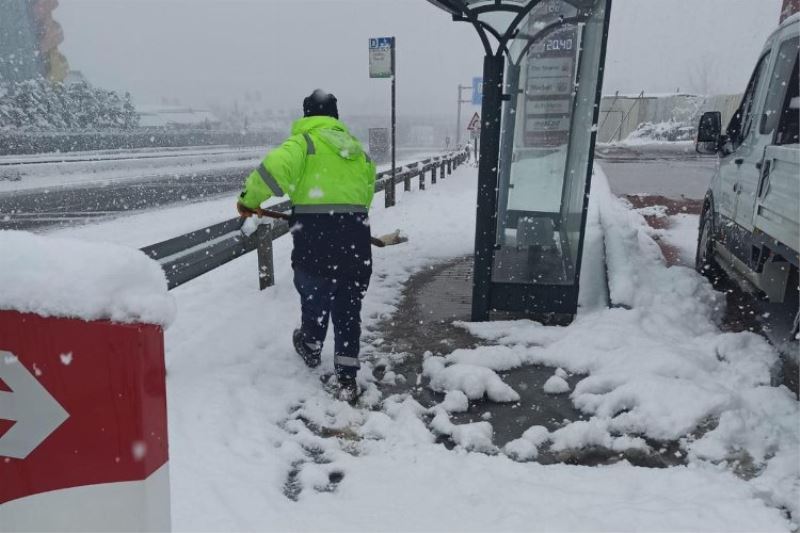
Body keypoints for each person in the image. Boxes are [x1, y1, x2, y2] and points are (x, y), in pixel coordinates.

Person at [236, 90, 376, 401]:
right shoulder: (357, 151)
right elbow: (366, 195)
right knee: (349, 307)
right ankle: (347, 377)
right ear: (335, 117)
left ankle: (311, 346)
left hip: (315, 237)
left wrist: (248, 200)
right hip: (355, 236)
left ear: (306, 115)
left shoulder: (304, 143)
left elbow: (271, 171)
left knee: (315, 295)